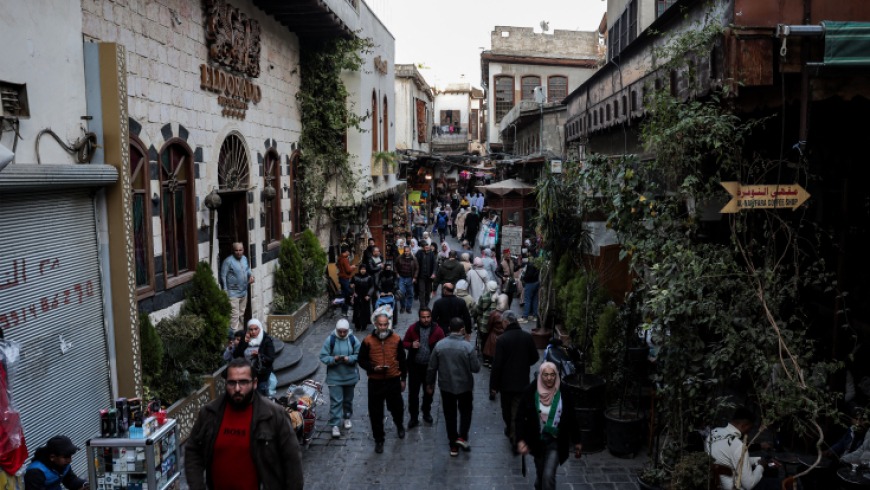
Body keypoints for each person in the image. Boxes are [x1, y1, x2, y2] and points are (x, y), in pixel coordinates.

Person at [185, 358, 303, 490]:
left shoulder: (274, 415)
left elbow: (292, 461)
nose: (237, 388)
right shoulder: (209, 413)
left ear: (255, 383)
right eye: (232, 383)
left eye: (243, 382)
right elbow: (193, 450)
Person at [516, 362, 582, 490]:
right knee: (541, 474)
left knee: (548, 476)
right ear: (540, 375)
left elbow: (572, 417)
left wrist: (577, 441)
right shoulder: (531, 391)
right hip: (538, 441)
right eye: (546, 375)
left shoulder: (564, 391)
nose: (549, 378)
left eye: (552, 375)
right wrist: (520, 440)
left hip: (556, 441)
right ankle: (539, 484)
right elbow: (520, 417)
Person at [427, 317, 481, 456]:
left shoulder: (440, 346)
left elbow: (432, 367)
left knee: (449, 414)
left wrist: (430, 383)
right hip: (465, 386)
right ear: (462, 329)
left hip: (446, 386)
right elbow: (476, 368)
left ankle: (453, 444)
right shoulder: (468, 347)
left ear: (449, 329)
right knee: (466, 412)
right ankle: (462, 437)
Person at [358, 309, 407, 454]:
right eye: (380, 325)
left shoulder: (396, 339)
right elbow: (361, 360)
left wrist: (403, 379)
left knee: (397, 407)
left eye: (385, 324)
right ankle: (379, 439)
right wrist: (373, 368)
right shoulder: (368, 341)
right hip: (375, 382)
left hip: (393, 380)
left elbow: (402, 360)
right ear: (375, 324)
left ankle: (399, 425)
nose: (383, 327)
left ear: (388, 324)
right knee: (375, 413)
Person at [491, 311, 540, 447]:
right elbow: (535, 357)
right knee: (517, 410)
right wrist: (524, 364)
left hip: (506, 383)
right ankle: (514, 433)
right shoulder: (527, 337)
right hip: (522, 381)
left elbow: (497, 365)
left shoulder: (502, 340)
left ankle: (514, 435)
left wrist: (493, 386)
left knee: (507, 411)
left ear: (506, 322)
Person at [706, 407, 781, 490]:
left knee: (768, 471)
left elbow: (735, 459)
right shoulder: (738, 446)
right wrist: (761, 465)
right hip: (734, 487)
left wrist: (760, 459)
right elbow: (749, 485)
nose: (749, 432)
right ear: (744, 425)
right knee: (778, 483)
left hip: (717, 482)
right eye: (750, 428)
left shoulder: (714, 432)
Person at [402, 307, 446, 429]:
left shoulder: (437, 330)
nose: (426, 319)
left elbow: (443, 345)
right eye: (423, 317)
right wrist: (411, 345)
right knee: (413, 393)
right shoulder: (413, 328)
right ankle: (414, 417)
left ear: (431, 317)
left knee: (429, 392)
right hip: (415, 366)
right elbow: (404, 342)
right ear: (419, 317)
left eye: (428, 317)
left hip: (430, 368)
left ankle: (426, 412)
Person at [319, 319, 360, 438]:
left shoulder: (353, 339)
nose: (342, 334)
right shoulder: (330, 340)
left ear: (348, 330)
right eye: (340, 331)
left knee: (348, 399)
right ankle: (335, 424)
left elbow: (360, 354)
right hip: (334, 377)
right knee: (336, 401)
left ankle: (347, 417)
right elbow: (323, 356)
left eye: (344, 331)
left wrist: (350, 359)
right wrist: (334, 359)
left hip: (350, 376)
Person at [233, 319, 276, 397]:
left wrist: (259, 355)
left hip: (262, 375)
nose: (253, 332)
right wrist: (244, 343)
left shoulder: (266, 340)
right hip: (247, 374)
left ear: (260, 328)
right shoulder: (245, 339)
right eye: (251, 329)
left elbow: (270, 358)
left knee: (260, 396)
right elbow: (236, 355)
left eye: (256, 329)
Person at [220, 242, 254, 332]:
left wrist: (251, 276)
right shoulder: (228, 261)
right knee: (234, 316)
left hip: (244, 292)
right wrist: (225, 290)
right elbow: (223, 275)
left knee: (241, 315)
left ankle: (240, 335)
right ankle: (233, 336)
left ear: (243, 250)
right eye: (236, 250)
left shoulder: (244, 258)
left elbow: (247, 269)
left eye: (240, 250)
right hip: (232, 293)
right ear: (233, 251)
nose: (238, 252)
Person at [482, 294, 509, 368]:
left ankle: (490, 362)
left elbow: (489, 324)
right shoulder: (508, 313)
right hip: (504, 335)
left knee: (491, 348)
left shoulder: (493, 313)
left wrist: (488, 330)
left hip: (494, 334)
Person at [351, 263, 375, 332]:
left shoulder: (369, 277)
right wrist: (353, 291)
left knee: (365, 311)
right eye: (361, 269)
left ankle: (364, 325)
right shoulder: (355, 277)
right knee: (357, 311)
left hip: (365, 296)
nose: (363, 270)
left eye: (364, 269)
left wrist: (368, 295)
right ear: (359, 269)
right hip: (357, 296)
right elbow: (351, 285)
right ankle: (357, 326)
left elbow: (372, 287)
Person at [395, 246, 418, 314]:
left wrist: (415, 277)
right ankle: (403, 307)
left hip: (410, 278)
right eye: (405, 251)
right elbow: (395, 265)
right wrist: (397, 273)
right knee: (401, 293)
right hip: (401, 277)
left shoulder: (414, 258)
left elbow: (417, 268)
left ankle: (408, 308)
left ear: (410, 251)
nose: (406, 252)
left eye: (407, 251)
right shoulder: (399, 257)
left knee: (410, 294)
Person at [415, 242, 438, 309]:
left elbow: (434, 265)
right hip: (421, 276)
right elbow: (416, 263)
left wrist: (433, 273)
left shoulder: (431, 254)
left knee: (428, 291)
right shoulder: (419, 253)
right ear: (423, 247)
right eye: (425, 247)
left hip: (429, 276)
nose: (427, 248)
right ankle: (422, 305)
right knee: (421, 291)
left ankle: (426, 303)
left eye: (428, 247)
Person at [337, 246, 357, 317]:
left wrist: (350, 267)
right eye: (348, 252)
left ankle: (344, 311)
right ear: (346, 252)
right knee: (347, 294)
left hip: (342, 278)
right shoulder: (344, 259)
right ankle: (347, 308)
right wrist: (353, 268)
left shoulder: (339, 258)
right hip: (345, 278)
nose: (349, 253)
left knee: (344, 294)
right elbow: (348, 270)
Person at [519, 257, 540, 324]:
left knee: (527, 300)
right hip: (536, 282)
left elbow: (529, 275)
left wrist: (524, 279)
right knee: (535, 299)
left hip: (530, 283)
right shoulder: (537, 263)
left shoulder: (530, 265)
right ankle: (535, 316)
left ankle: (525, 317)